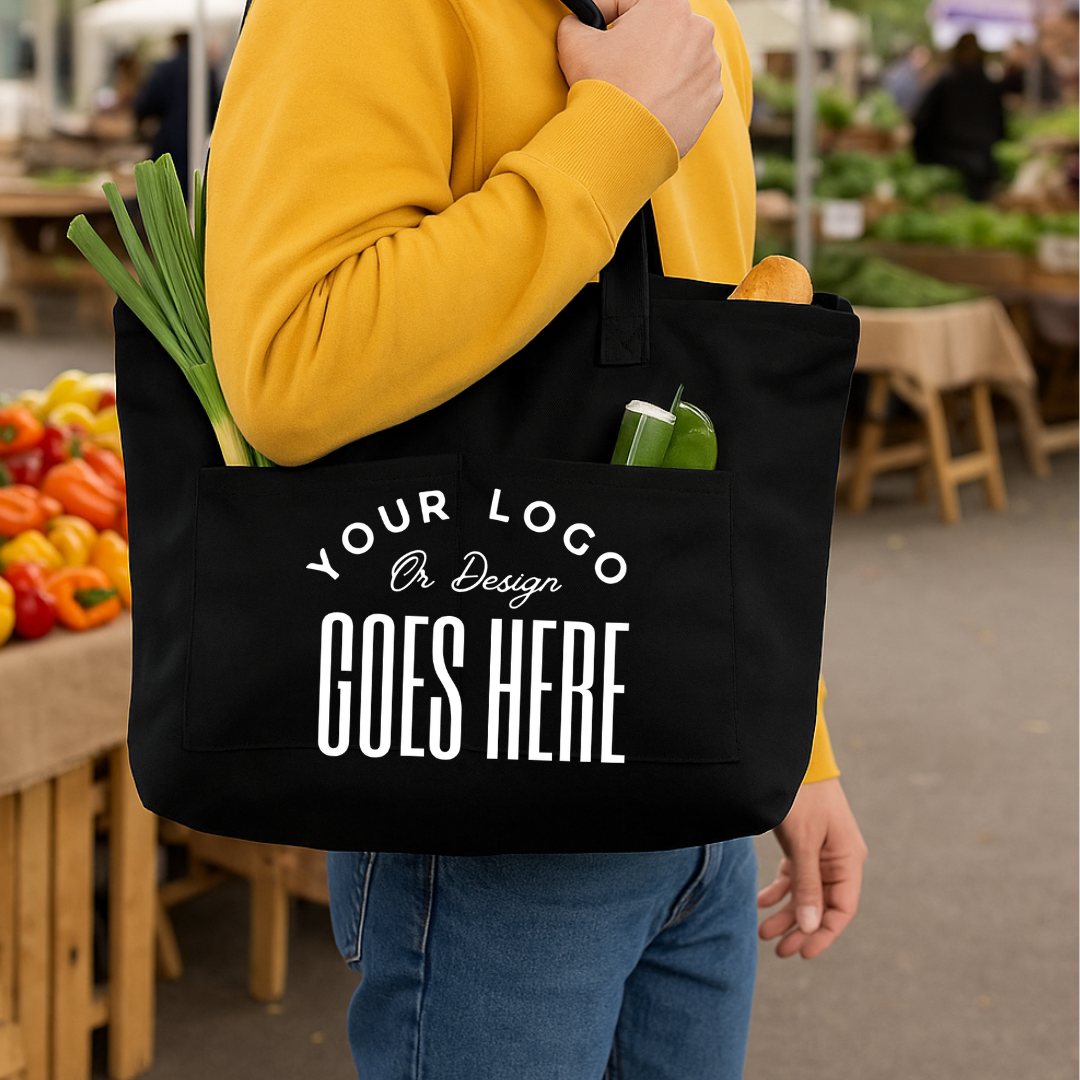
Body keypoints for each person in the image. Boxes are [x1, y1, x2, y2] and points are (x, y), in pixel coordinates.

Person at [205, 0, 867, 1075]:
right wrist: (618, 128)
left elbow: (709, 413)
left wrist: (800, 737)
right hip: (491, 793)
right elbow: (292, 368)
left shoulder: (700, 26)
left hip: (693, 784)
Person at [913, 33, 1006, 201]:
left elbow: (921, 120)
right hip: (980, 160)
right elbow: (1000, 127)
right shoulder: (989, 86)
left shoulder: (946, 83)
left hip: (946, 159)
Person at [133, 33, 220, 198]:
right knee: (196, 190)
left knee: (168, 197)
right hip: (200, 141)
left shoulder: (166, 68)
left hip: (170, 142)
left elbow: (145, 103)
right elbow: (216, 105)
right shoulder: (206, 70)